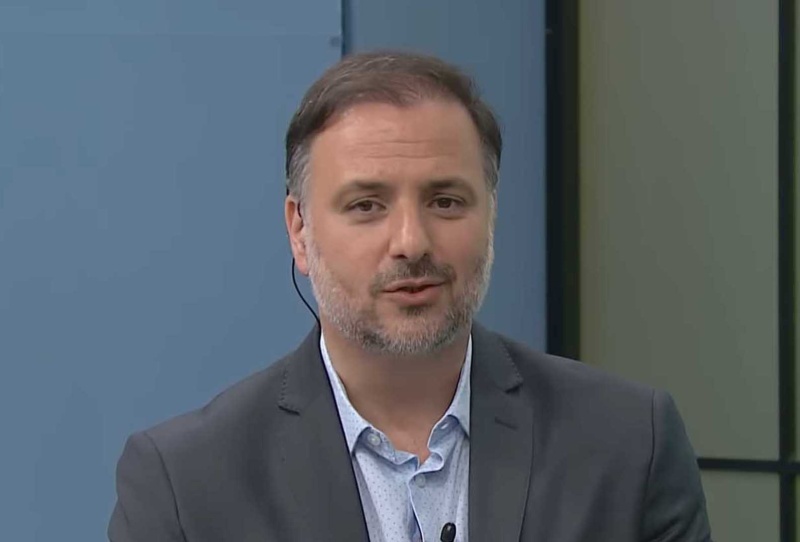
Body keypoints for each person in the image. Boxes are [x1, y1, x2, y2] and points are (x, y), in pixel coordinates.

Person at [109, 51, 712, 542]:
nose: (411, 242)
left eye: (445, 201)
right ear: (299, 230)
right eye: (366, 206)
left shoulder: (629, 444)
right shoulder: (186, 483)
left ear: (491, 215)